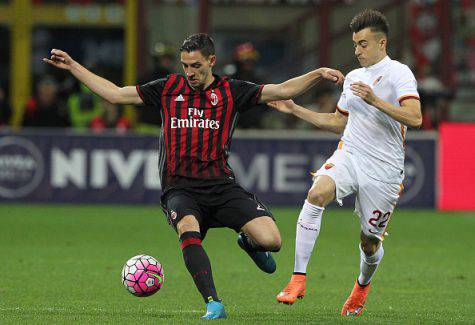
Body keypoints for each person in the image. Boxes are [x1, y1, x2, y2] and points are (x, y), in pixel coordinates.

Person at [43, 33, 344, 320]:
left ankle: (249, 243)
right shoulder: (167, 88)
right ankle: (213, 303)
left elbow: (282, 90)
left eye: (196, 65)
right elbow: (116, 94)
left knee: (273, 241)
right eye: (185, 65)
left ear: (211, 61)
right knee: (188, 230)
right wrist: (73, 66)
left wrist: (317, 73)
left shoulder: (232, 90)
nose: (189, 72)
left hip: (221, 185)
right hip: (180, 187)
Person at [270, 9, 422, 317]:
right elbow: (338, 122)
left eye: (363, 44)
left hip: (384, 170)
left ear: (382, 42)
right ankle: (298, 278)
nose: (356, 50)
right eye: (355, 43)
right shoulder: (353, 77)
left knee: (369, 243)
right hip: (350, 154)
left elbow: (416, 118)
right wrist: (295, 109)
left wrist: (376, 100)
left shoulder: (399, 73)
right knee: (315, 195)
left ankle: (362, 285)